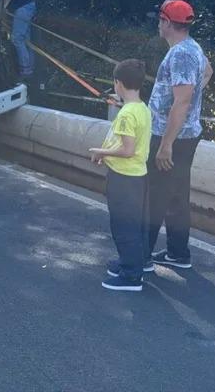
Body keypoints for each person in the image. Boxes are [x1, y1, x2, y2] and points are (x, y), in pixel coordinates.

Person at [145, 0, 213, 270]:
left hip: (171, 137)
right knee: (176, 195)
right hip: (186, 135)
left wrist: (166, 144)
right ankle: (177, 252)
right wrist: (190, 93)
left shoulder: (181, 54)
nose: (158, 25)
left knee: (154, 196)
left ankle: (141, 257)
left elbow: (182, 101)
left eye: (160, 20)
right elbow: (207, 72)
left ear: (167, 23)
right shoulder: (192, 48)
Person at [88, 59, 152, 291]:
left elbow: (127, 150)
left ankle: (131, 276)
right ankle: (136, 263)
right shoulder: (142, 108)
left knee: (123, 226)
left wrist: (100, 152)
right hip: (139, 176)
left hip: (124, 177)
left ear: (118, 83)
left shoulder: (127, 114)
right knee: (136, 225)